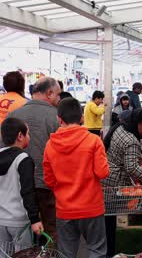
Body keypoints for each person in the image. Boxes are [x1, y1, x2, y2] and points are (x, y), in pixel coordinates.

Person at [43, 98, 109, 258]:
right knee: (96, 250)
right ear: (81, 118)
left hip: (64, 209)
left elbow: (49, 181)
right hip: (92, 206)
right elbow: (103, 172)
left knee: (66, 253)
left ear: (59, 119)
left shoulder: (50, 145)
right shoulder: (93, 141)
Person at [103, 108, 142, 257]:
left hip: (106, 178)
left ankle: (108, 252)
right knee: (110, 223)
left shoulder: (121, 126)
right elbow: (132, 168)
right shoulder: (131, 141)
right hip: (115, 182)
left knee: (107, 221)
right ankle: (109, 253)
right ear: (137, 123)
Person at [8, 77, 61, 241]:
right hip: (48, 184)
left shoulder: (13, 115)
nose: (59, 99)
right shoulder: (57, 117)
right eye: (58, 95)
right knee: (51, 230)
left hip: (18, 185)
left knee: (24, 232)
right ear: (50, 93)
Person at [0, 118, 44, 250]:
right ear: (20, 136)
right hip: (19, 221)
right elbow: (27, 191)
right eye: (28, 134)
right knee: (23, 253)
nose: (29, 137)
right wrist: (35, 219)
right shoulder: (23, 159)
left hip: (0, 219)